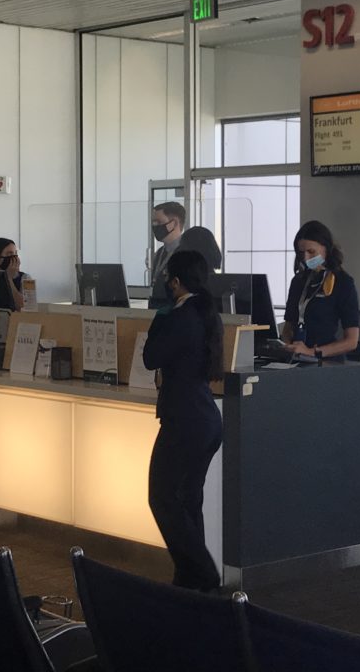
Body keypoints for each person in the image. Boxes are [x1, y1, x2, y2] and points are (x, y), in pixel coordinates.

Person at [143, 249, 223, 592]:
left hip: (184, 421)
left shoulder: (178, 317)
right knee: (189, 499)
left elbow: (150, 357)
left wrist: (159, 317)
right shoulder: (205, 313)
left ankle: (204, 574)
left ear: (175, 282)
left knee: (161, 497)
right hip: (205, 420)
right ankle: (191, 579)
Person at [282, 220, 360, 360]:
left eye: (311, 252)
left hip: (326, 361)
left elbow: (351, 341)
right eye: (301, 253)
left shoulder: (343, 283)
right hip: (297, 357)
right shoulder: (298, 281)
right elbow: (288, 326)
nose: (306, 258)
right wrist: (286, 346)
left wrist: (312, 352)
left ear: (326, 249)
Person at [0, 237, 29, 312]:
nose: (14, 258)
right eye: (9, 254)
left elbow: (23, 307)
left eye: (15, 253)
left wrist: (9, 279)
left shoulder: (25, 277)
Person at [149, 202, 186, 287]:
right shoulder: (158, 253)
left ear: (175, 223)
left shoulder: (186, 253)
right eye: (153, 222)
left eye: (159, 222)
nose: (155, 226)